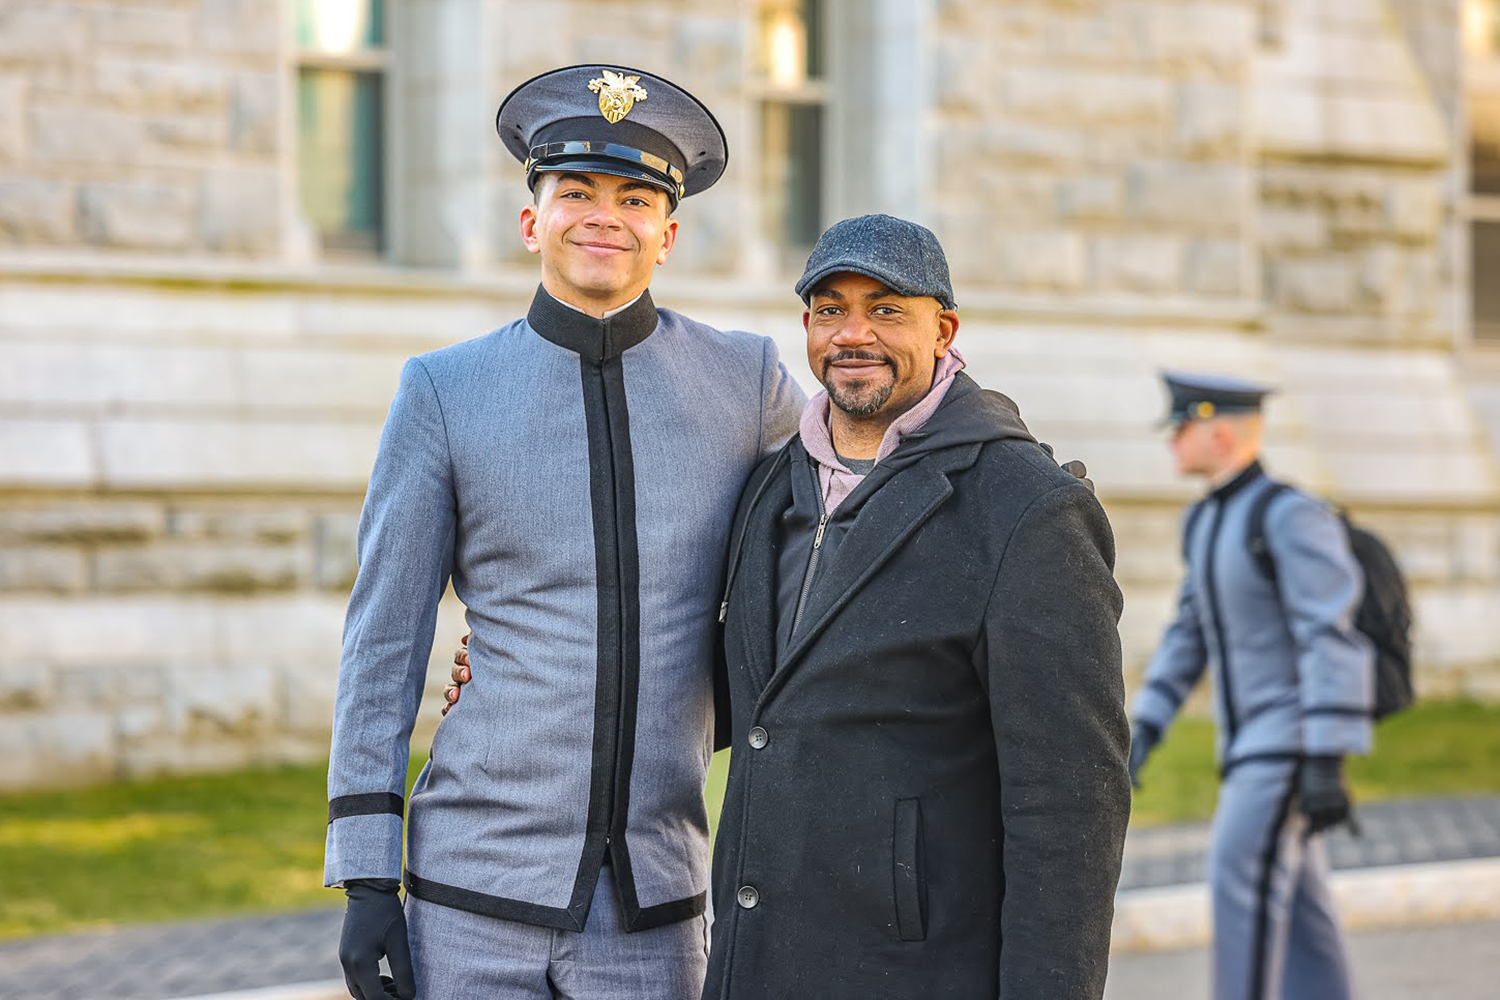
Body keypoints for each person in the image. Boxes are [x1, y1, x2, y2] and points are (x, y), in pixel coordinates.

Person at [324, 65, 804, 1000]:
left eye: (634, 198)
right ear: (530, 220)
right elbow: (382, 641)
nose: (602, 216)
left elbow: (850, 507)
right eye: (574, 192)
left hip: (655, 910)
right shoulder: (442, 392)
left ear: (667, 235)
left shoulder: (747, 385)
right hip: (471, 899)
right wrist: (367, 871)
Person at [704, 215, 1130, 998]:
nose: (853, 333)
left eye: (888, 309)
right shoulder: (772, 484)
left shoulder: (1026, 508)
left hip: (915, 975)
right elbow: (740, 696)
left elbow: (1070, 807)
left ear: (946, 329)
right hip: (755, 965)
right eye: (831, 309)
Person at [1129, 372, 1372, 1000]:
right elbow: (1190, 633)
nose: (1172, 441)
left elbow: (1330, 634)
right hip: (1249, 747)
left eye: (1181, 427)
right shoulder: (1206, 521)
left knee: (1240, 884)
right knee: (1303, 911)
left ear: (1219, 430)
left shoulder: (1291, 516)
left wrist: (1326, 755)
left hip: (1286, 744)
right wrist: (1144, 728)